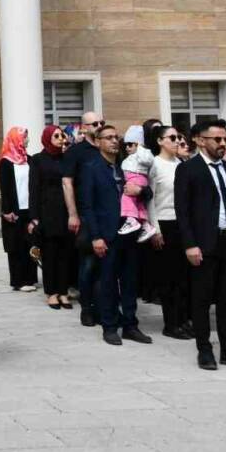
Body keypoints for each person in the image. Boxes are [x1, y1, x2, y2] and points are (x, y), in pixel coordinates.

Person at [175, 119, 226, 370]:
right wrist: (190, 244)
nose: (223, 143)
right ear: (201, 141)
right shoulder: (188, 169)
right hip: (204, 244)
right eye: (218, 139)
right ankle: (204, 349)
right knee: (201, 299)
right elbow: (183, 211)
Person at [77, 125, 152, 347]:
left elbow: (147, 192)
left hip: (129, 232)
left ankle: (130, 325)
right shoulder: (91, 168)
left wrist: (140, 191)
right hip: (106, 233)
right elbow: (87, 206)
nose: (113, 141)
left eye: (115, 137)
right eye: (108, 137)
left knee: (130, 281)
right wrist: (96, 237)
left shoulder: (126, 166)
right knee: (108, 282)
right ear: (97, 142)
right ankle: (109, 326)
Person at [147, 124, 191, 339]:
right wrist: (155, 229)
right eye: (172, 138)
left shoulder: (181, 164)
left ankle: (182, 320)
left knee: (183, 277)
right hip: (164, 223)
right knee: (168, 277)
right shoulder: (154, 165)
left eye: (179, 137)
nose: (177, 141)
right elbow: (150, 200)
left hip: (183, 223)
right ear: (159, 141)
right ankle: (171, 324)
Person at [62, 110, 103, 326]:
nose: (99, 126)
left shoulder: (107, 149)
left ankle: (103, 305)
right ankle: (87, 308)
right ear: (84, 128)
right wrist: (72, 214)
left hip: (107, 214)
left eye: (101, 122)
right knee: (88, 264)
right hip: (86, 215)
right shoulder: (76, 152)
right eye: (94, 123)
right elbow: (67, 182)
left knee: (106, 265)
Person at [29, 125, 74, 309]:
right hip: (47, 212)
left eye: (61, 135)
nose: (60, 138)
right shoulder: (38, 160)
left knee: (65, 253)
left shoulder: (66, 158)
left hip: (65, 210)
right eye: (56, 136)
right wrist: (34, 217)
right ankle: (52, 292)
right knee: (49, 254)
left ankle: (63, 291)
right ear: (47, 138)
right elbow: (33, 189)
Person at [0, 126, 38, 292]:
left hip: (29, 209)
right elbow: (5, 188)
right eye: (24, 137)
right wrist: (6, 211)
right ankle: (18, 280)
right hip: (14, 211)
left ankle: (31, 278)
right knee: (16, 246)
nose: (27, 140)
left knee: (31, 243)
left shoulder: (30, 160)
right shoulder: (6, 162)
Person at [119, 126, 160, 243]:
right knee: (139, 204)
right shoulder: (130, 156)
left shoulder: (144, 154)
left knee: (126, 197)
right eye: (125, 145)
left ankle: (131, 219)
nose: (127, 147)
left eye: (130, 144)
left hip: (136, 178)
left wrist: (140, 148)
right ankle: (146, 225)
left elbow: (148, 160)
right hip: (134, 179)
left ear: (138, 144)